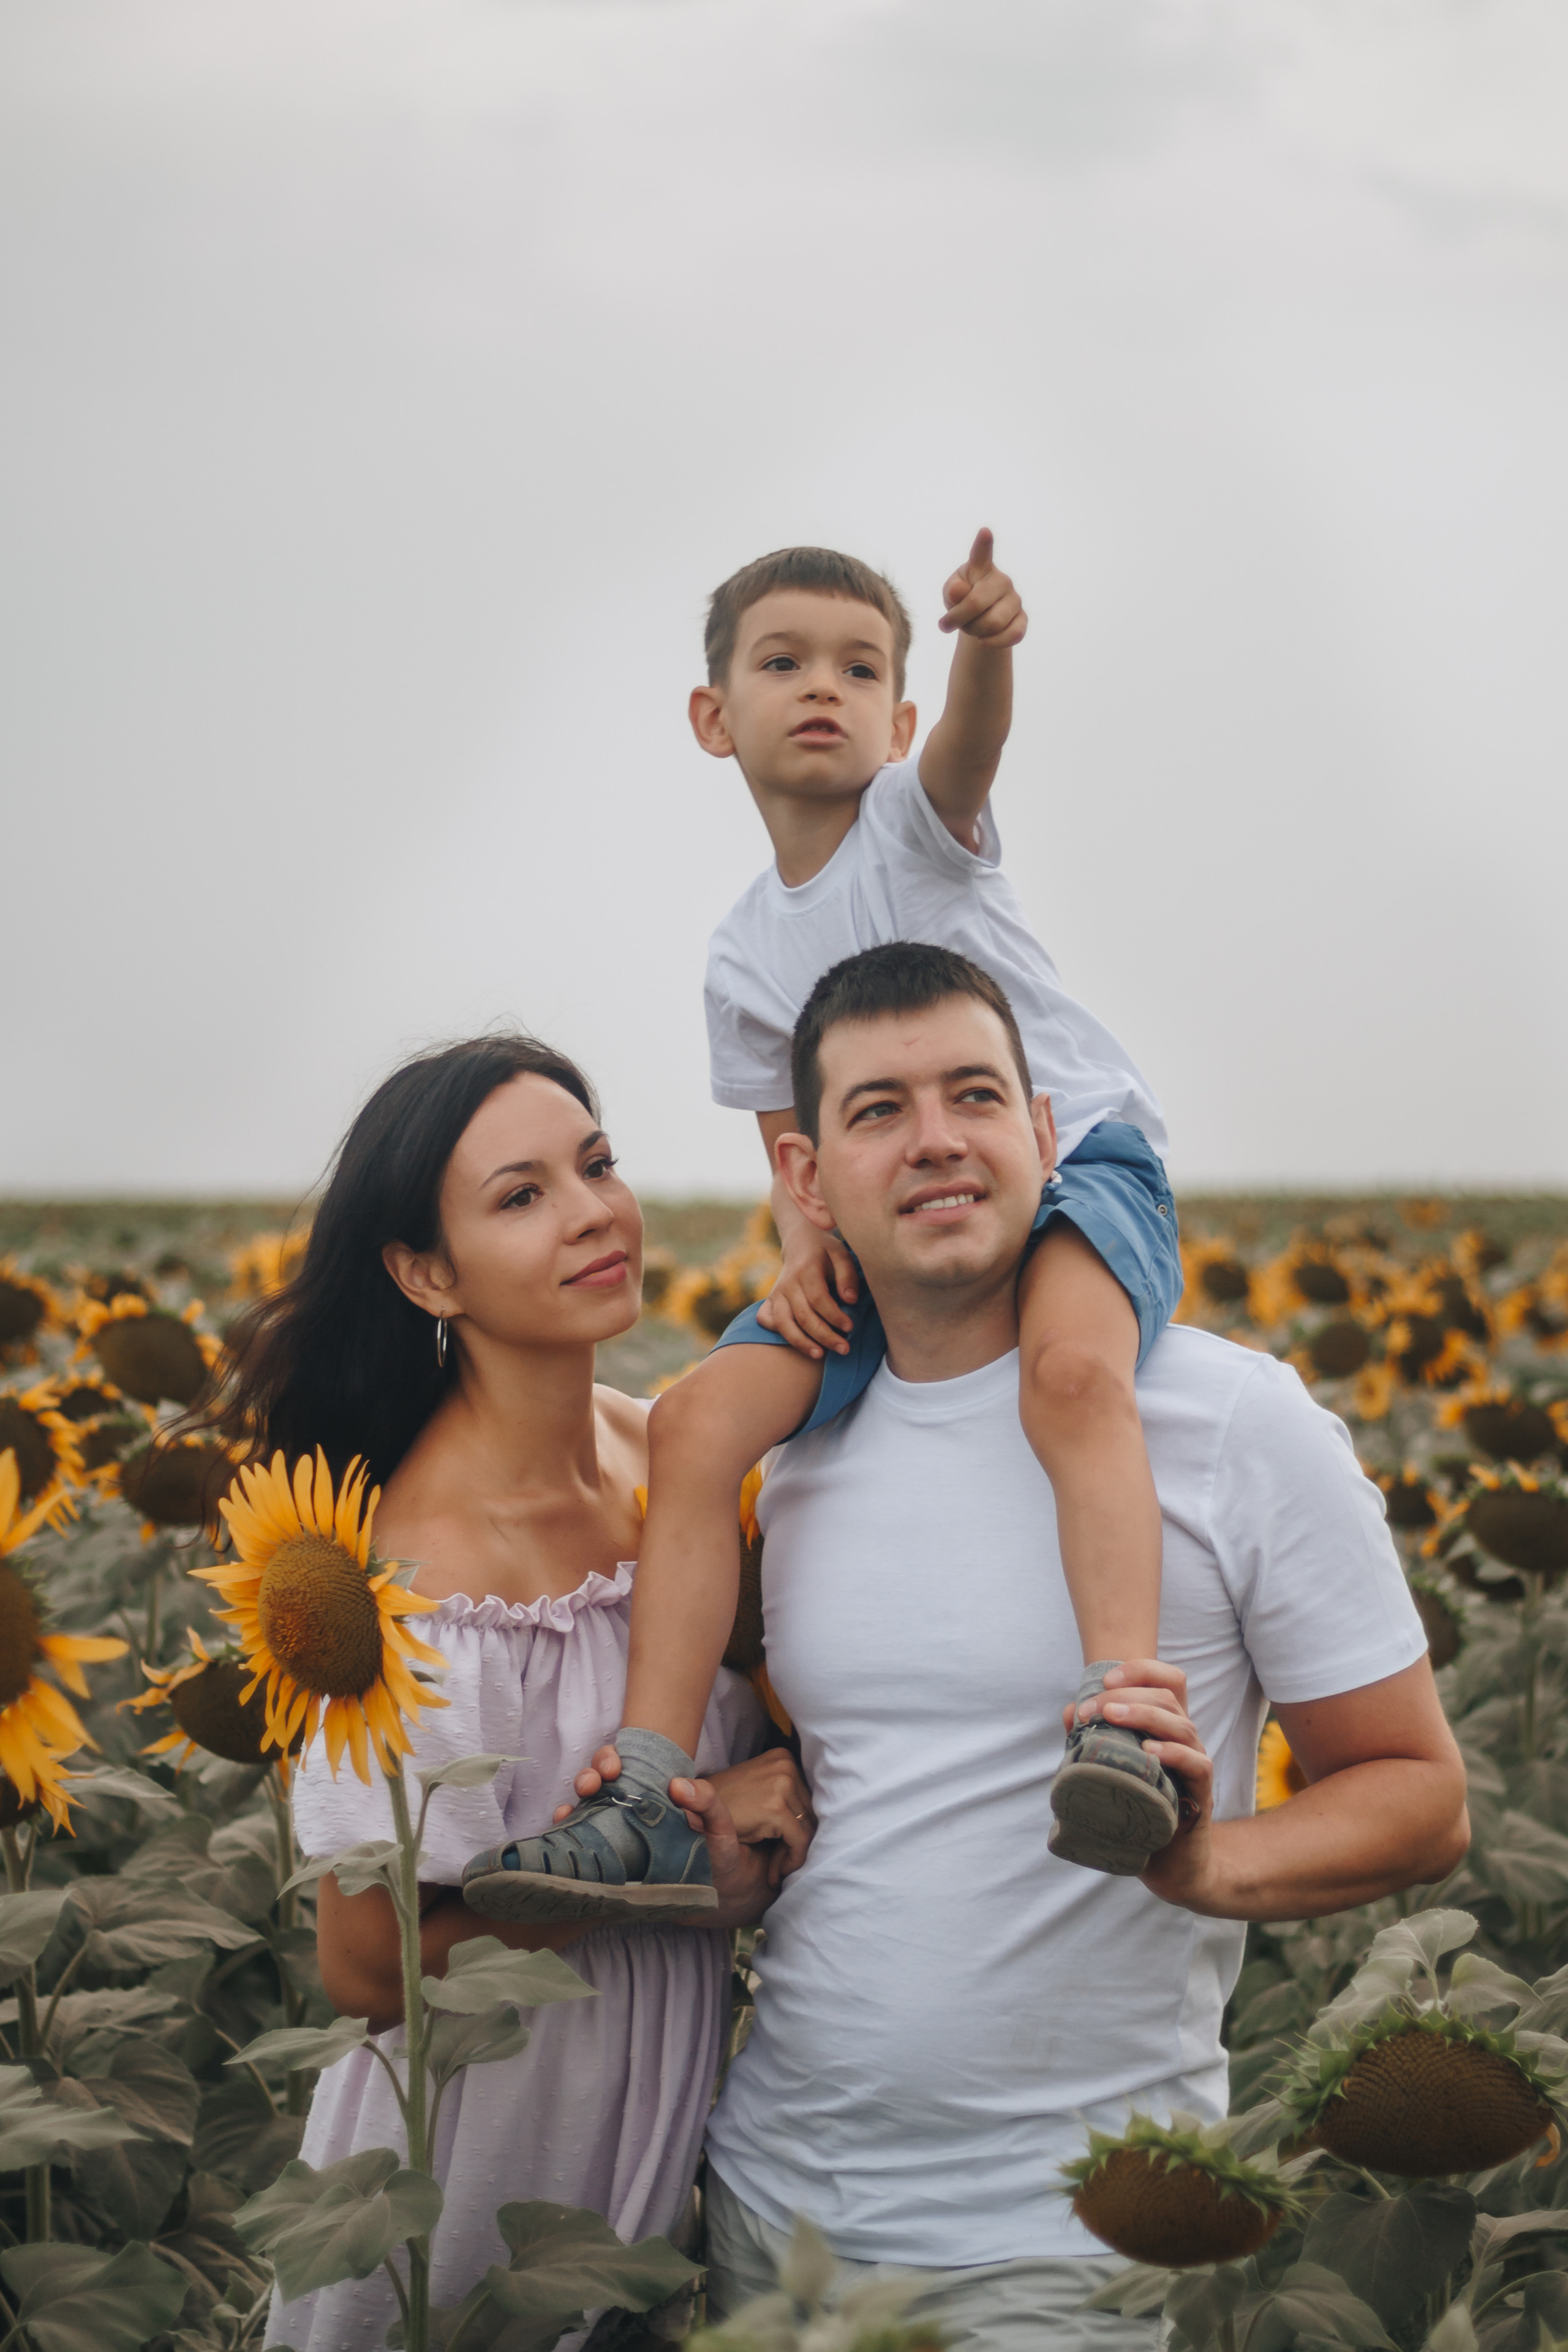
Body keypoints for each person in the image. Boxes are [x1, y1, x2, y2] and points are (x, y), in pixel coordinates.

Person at [679, 943, 1463, 2348]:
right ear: (804, 1180)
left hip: (1067, 2242)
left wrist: (1207, 1862)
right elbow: (852, 1770)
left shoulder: (1229, 1423)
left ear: (1044, 1133)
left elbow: (1417, 1793)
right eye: (876, 1110)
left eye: (973, 1094)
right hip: (767, 2207)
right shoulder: (789, 1452)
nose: (934, 1140)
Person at [461, 535, 1185, 1929]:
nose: (822, 690)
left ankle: (1122, 1720)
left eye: (861, 670)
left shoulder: (912, 828)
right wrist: (805, 1255)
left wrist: (987, 644)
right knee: (694, 1424)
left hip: (1072, 1169)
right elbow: (784, 1134)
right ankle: (651, 1791)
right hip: (873, 1221)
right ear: (711, 716)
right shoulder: (742, 951)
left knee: (1074, 1377)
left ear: (899, 722)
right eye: (781, 662)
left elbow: (974, 750)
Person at [205, 1035, 813, 2352]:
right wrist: (669, 1883)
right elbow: (365, 1964)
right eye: (520, 1194)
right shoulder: (409, 1576)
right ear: (427, 1273)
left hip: (654, 2156)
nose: (593, 1210)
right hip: (465, 2164)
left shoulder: (680, 1465)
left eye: (595, 1165)